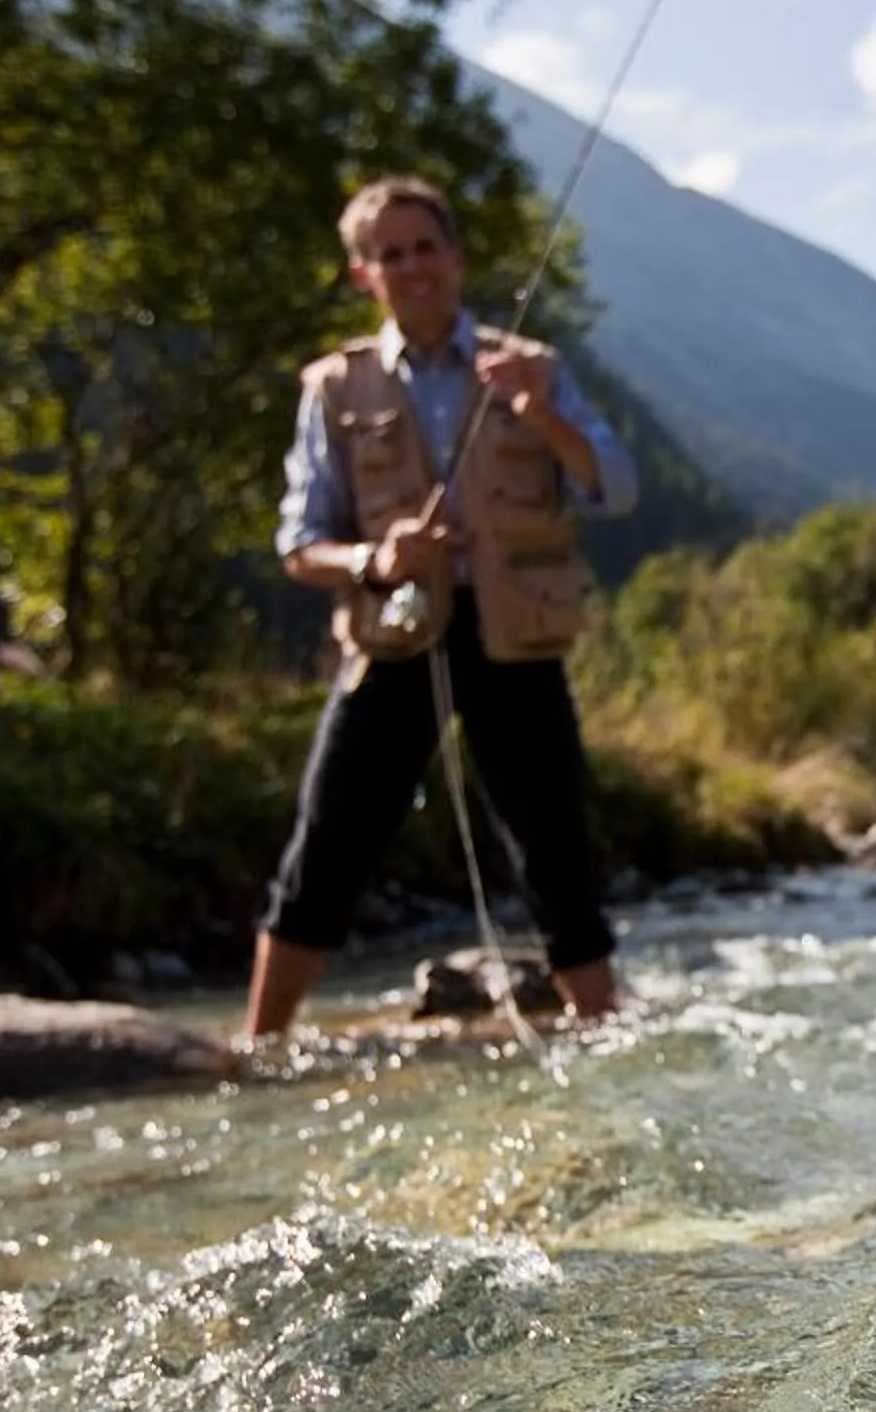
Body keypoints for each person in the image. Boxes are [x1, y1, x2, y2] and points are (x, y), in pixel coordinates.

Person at [245, 174, 640, 1038]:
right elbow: (298, 543)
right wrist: (374, 557)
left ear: (456, 259)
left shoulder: (531, 365)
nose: (413, 266)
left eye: (426, 247)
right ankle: (258, 1048)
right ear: (364, 275)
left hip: (515, 641)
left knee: (558, 856)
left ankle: (605, 1039)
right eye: (391, 254)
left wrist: (541, 411)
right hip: (391, 642)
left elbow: (614, 488)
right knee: (327, 845)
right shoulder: (332, 388)